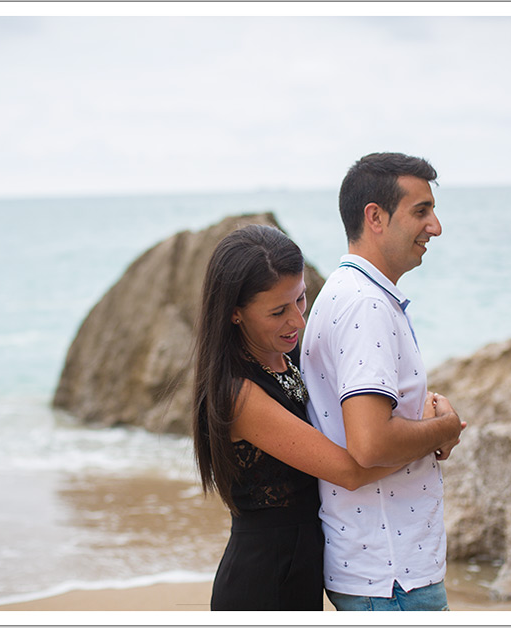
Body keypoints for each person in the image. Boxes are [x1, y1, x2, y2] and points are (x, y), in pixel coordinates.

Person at [192, 223, 422, 611]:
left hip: (303, 571)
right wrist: (434, 435)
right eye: (278, 311)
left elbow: (365, 410)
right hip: (262, 584)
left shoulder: (292, 360)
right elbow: (351, 469)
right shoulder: (238, 394)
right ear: (235, 314)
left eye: (301, 300)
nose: (298, 321)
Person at [301, 152, 467, 611]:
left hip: (382, 569)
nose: (435, 226)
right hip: (391, 576)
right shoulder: (365, 306)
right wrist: (444, 429)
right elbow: (370, 443)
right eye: (421, 211)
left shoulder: (350, 292)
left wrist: (423, 413)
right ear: (375, 217)